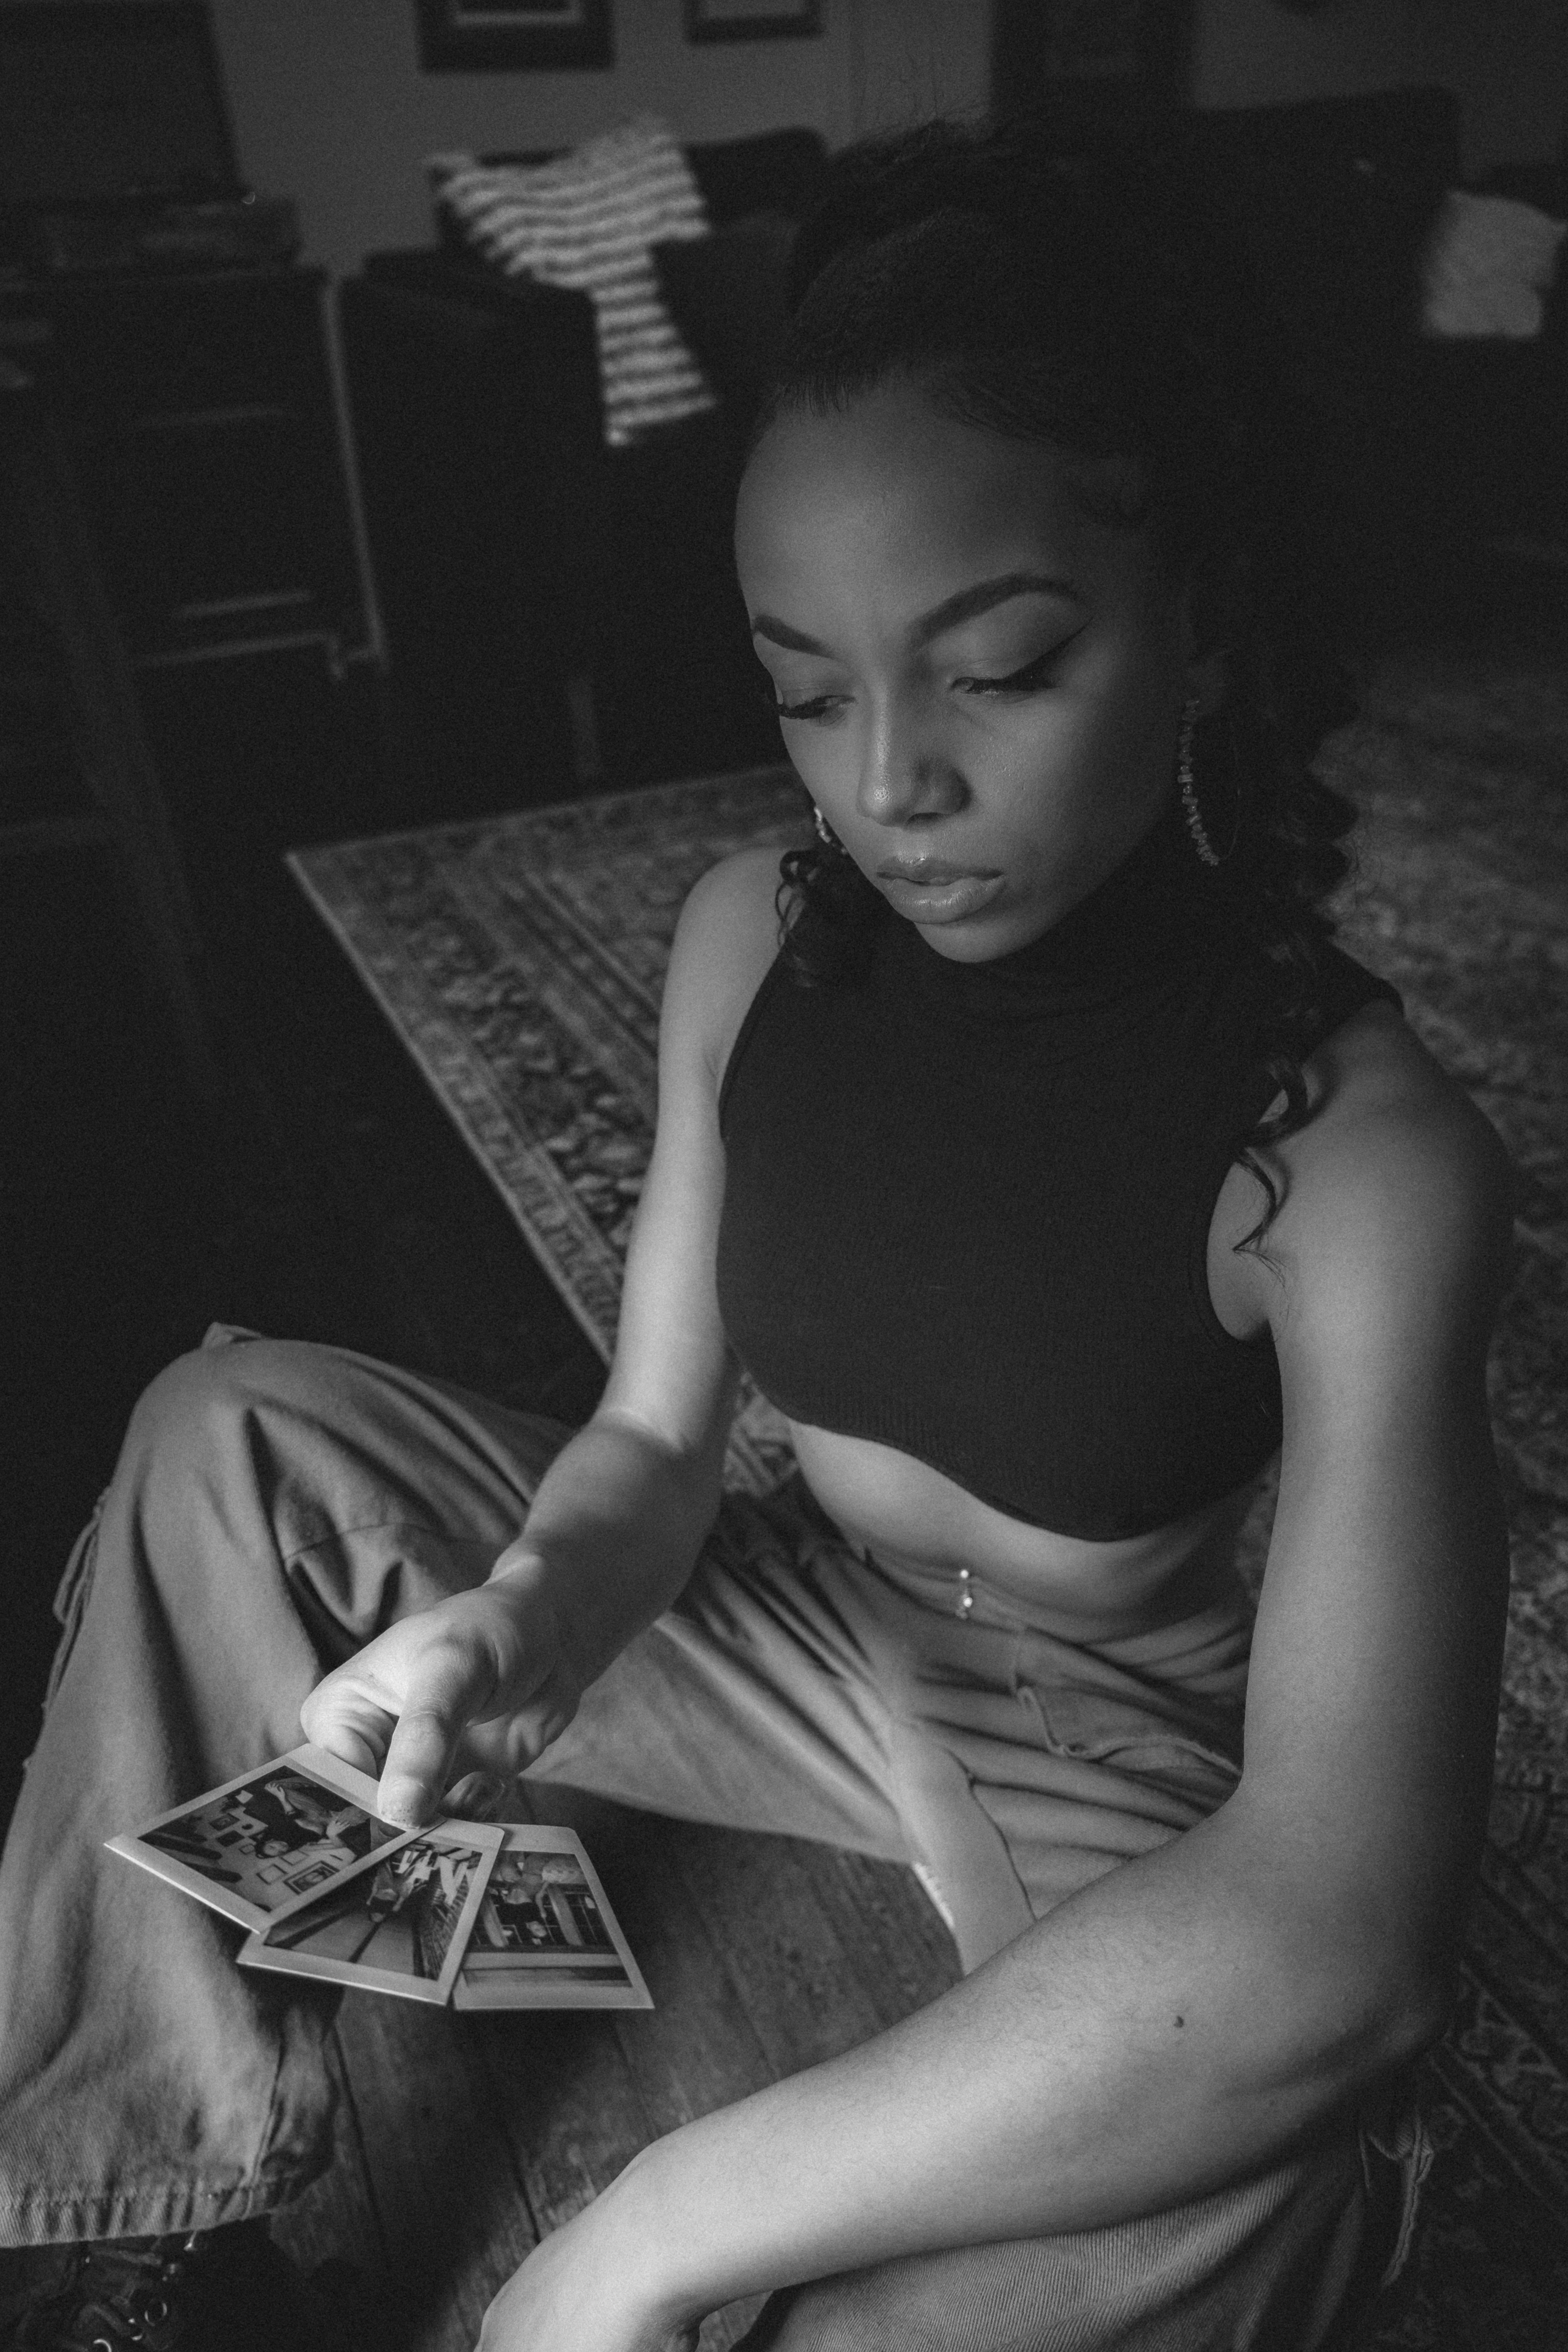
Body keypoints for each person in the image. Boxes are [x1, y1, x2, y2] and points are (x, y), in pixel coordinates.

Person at [0, 120, 1513, 2352]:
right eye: (811, 689)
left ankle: (680, 2157)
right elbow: (649, 1447)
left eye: (996, 668)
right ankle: (134, 2203)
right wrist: (515, 1623)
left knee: (1256, 2164)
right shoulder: (748, 938)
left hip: (1117, 1768)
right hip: (798, 1622)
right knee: (231, 1434)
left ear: (1197, 629)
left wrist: (648, 2237)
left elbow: (1344, 1928)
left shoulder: (1358, 1157)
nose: (887, 781)